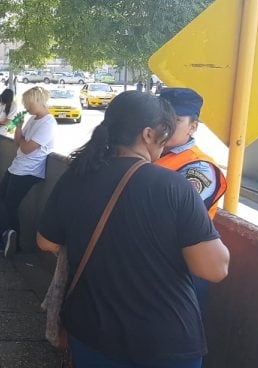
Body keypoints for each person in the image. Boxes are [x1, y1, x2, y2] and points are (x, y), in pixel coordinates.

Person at [37, 91, 230, 367]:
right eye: (166, 129)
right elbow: (214, 269)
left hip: (92, 330)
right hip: (162, 340)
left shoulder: (77, 174)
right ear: (148, 135)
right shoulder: (174, 185)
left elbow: (46, 242)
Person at [156, 88, 227, 309]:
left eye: (175, 120)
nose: (164, 127)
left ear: (193, 126)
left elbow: (171, 220)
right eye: (160, 119)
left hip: (178, 271)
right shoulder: (150, 153)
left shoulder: (198, 168)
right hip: (148, 266)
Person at [0, 86, 55, 256]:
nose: (27, 108)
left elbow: (27, 148)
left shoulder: (48, 123)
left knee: (8, 204)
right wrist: (19, 126)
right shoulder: (33, 119)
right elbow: (17, 140)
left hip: (29, 171)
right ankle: (6, 238)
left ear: (39, 102)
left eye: (29, 105)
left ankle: (3, 239)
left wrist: (24, 140)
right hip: (17, 167)